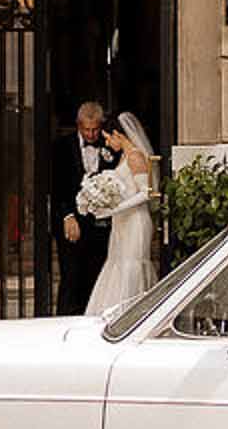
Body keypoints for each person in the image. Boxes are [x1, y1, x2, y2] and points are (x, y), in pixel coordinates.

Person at [84, 113, 158, 316]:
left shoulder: (135, 156)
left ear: (118, 134)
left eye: (108, 138)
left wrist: (114, 209)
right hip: (123, 221)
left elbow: (146, 193)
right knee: (117, 264)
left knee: (131, 265)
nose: (107, 143)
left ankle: (131, 313)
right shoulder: (124, 157)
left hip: (135, 221)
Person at [53, 101, 113, 315]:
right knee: (71, 277)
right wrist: (67, 216)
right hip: (72, 223)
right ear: (78, 125)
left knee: (96, 278)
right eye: (87, 129)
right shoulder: (61, 146)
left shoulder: (110, 146)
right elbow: (56, 186)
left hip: (101, 226)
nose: (91, 134)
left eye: (95, 129)